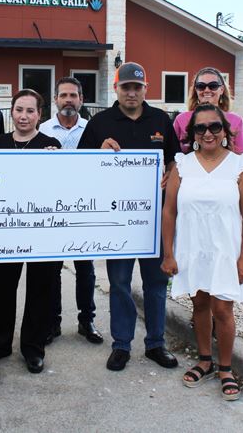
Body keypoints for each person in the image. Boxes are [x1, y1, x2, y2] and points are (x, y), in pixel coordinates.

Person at [78, 62, 181, 372]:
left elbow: (175, 160)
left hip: (154, 219)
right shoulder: (100, 123)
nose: (132, 93)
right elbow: (80, 166)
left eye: (137, 87)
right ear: (116, 89)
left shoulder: (160, 120)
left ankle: (156, 344)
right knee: (120, 282)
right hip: (117, 221)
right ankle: (121, 344)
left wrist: (171, 174)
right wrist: (98, 152)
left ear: (145, 89)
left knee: (156, 283)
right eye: (126, 87)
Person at [161, 103, 243, 401]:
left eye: (214, 126)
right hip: (192, 249)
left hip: (226, 252)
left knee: (223, 310)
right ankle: (205, 360)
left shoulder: (239, 166)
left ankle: (226, 367)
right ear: (192, 133)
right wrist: (168, 254)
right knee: (200, 305)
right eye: (200, 128)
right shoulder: (182, 165)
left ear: (225, 131)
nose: (208, 133)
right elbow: (169, 211)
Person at [0, 89, 64, 374]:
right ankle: (0, 343)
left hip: (41, 232)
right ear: (11, 112)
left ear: (39, 115)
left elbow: (61, 186)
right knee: (2, 289)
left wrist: (57, 162)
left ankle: (33, 348)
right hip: (6, 230)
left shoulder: (51, 145)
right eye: (19, 110)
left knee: (40, 290)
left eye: (30, 111)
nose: (24, 116)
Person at [39, 77, 103, 345]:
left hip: (83, 208)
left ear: (81, 99)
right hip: (50, 208)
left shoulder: (92, 129)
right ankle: (52, 322)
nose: (68, 100)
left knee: (85, 269)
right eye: (63, 95)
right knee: (51, 271)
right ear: (55, 99)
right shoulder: (42, 129)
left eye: (73, 95)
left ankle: (87, 320)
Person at [172, 67, 243, 154]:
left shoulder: (236, 120)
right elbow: (171, 154)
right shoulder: (181, 119)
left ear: (222, 89)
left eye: (213, 86)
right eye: (201, 86)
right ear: (196, 90)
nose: (206, 90)